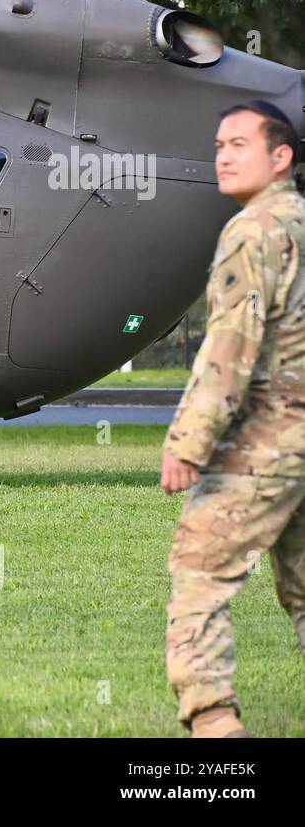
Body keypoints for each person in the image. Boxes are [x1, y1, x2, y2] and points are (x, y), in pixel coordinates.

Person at [161, 99, 305, 738]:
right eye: (219, 144)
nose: (223, 154)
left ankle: (216, 732)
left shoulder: (252, 232)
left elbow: (230, 346)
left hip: (268, 442)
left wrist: (190, 440)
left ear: (282, 158)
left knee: (199, 576)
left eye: (239, 144)